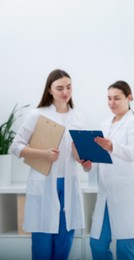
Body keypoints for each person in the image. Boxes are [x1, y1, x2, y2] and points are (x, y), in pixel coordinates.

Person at [10, 69, 85, 260]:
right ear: (50, 90)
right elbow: (16, 147)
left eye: (68, 87)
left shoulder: (77, 117)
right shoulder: (38, 114)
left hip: (68, 185)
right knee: (42, 243)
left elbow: (76, 153)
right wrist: (44, 154)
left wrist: (82, 156)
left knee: (64, 241)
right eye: (59, 88)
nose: (65, 92)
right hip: (44, 183)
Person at [79, 80, 134, 260]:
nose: (112, 103)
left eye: (117, 98)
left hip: (125, 194)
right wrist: (89, 165)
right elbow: (101, 160)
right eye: (109, 98)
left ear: (129, 98)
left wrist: (112, 146)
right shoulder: (105, 124)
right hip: (106, 194)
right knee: (97, 244)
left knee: (125, 248)